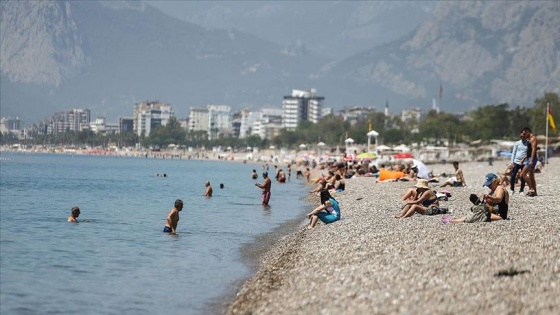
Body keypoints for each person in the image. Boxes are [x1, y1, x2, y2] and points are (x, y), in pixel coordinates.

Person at [519, 127, 538, 196]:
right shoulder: (529, 139)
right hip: (529, 158)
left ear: (528, 132)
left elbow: (533, 149)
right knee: (531, 176)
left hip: (531, 159)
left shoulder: (533, 138)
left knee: (522, 174)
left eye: (524, 134)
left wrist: (531, 160)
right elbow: (529, 151)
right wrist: (524, 158)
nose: (523, 135)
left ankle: (531, 189)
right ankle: (535, 192)